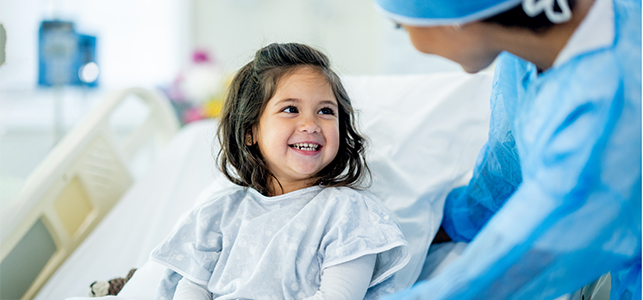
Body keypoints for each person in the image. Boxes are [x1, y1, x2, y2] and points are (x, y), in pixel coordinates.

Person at [374, 0, 641, 299]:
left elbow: (495, 280)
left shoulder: (610, 115)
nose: (410, 41)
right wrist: (452, 220)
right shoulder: (527, 47)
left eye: (400, 25)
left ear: (456, 19)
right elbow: (508, 162)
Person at [150, 43, 410, 300]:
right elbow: (192, 287)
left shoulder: (349, 214)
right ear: (250, 130)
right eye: (290, 109)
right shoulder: (219, 213)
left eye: (326, 111)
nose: (311, 124)